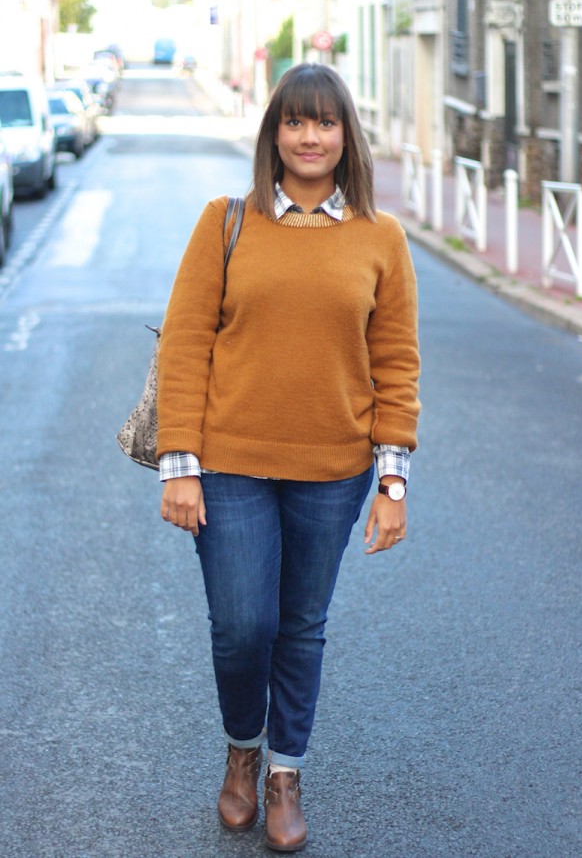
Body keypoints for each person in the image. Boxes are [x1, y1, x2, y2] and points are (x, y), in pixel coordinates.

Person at [156, 62, 420, 853]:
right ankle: (243, 746)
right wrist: (180, 463)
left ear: (346, 136)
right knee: (243, 624)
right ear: (274, 133)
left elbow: (396, 361)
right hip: (229, 459)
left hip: (334, 471)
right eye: (295, 121)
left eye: (325, 122)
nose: (310, 137)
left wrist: (393, 480)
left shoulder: (381, 236)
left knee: (301, 625)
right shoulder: (226, 221)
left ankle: (283, 772)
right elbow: (185, 344)